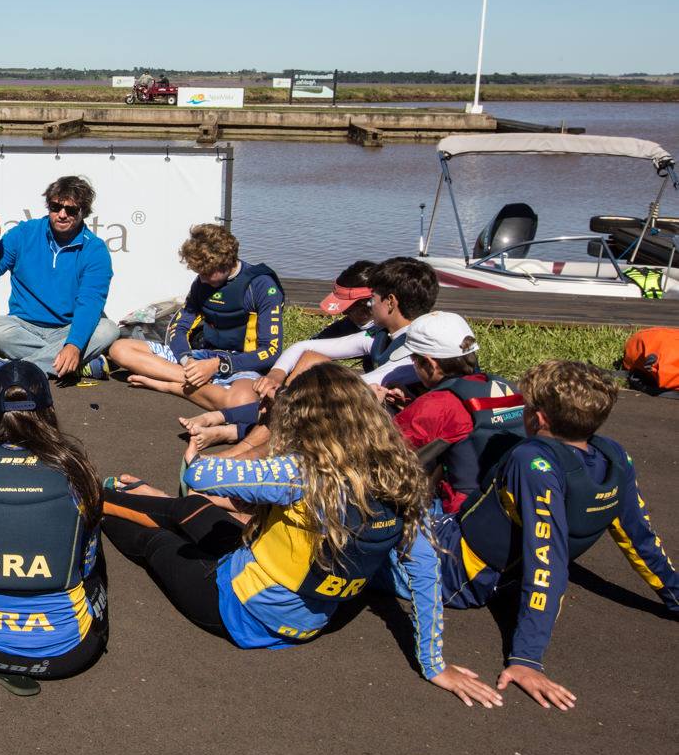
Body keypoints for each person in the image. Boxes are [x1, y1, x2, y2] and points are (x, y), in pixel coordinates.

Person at [101, 363, 503, 708]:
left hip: (239, 611)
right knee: (190, 510)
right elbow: (425, 572)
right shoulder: (399, 479)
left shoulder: (298, 473)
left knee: (158, 543)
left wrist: (257, 453)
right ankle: (129, 495)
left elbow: (201, 475)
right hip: (313, 616)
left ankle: (90, 503)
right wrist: (434, 665)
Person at [412, 360, 679, 710]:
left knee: (372, 512)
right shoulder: (614, 457)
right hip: (497, 574)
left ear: (536, 419)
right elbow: (641, 541)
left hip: (451, 569)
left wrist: (526, 658)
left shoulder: (530, 461)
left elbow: (546, 559)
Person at [0, 360, 108, 694]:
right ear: (49, 409)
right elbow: (87, 562)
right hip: (68, 651)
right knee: (89, 542)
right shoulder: (77, 470)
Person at [181, 256, 437, 456]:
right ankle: (232, 433)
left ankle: (236, 449)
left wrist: (285, 394)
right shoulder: (379, 335)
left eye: (374, 298)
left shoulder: (415, 348)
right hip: (368, 409)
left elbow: (356, 388)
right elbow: (305, 347)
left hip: (391, 434)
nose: (371, 304)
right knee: (311, 363)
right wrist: (276, 376)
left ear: (390, 302)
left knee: (305, 404)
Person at [107, 223, 282, 410]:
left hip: (241, 363)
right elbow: (179, 327)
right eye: (199, 273)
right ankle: (197, 382)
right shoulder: (201, 283)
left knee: (243, 402)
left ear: (226, 262)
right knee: (120, 349)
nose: (202, 279)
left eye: (207, 273)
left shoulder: (262, 286)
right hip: (201, 357)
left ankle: (169, 385)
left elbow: (271, 351)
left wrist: (218, 365)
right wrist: (187, 360)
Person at [0, 175, 118, 381]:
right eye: (55, 207)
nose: (62, 214)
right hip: (24, 326)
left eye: (71, 210)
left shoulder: (95, 250)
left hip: (68, 328)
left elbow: (90, 303)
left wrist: (73, 344)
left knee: (107, 330)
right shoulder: (24, 233)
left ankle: (15, 370)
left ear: (83, 212)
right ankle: (76, 365)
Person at [389, 311, 524, 513]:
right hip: (516, 501)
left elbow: (384, 445)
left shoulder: (439, 404)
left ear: (430, 364)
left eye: (414, 360)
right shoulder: (507, 386)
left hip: (466, 514)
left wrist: (370, 406)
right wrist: (412, 403)